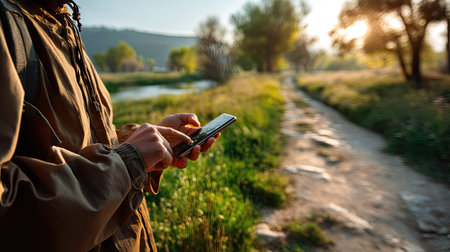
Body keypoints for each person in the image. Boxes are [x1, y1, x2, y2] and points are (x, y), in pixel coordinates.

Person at [0, 0, 218, 251]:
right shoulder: (8, 27)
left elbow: (87, 145)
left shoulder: (62, 25)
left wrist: (146, 146)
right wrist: (127, 161)